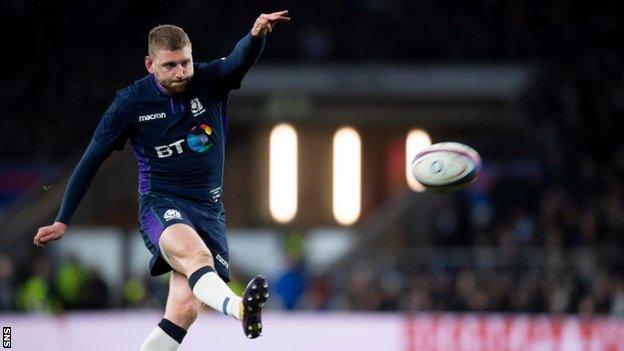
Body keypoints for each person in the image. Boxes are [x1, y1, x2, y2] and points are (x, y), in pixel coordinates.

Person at [33, 10, 291, 349]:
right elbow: (91, 161)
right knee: (199, 258)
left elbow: (239, 61)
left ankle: (234, 308)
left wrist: (256, 36)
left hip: (209, 211)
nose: (181, 72)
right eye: (170, 65)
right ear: (150, 64)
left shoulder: (209, 80)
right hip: (161, 205)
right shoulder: (130, 103)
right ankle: (239, 307)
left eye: (186, 62)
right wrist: (63, 218)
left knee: (183, 311)